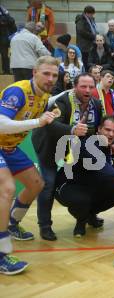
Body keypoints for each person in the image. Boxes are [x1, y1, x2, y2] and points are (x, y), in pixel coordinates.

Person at [0, 56, 59, 274]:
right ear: (34, 72)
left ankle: (12, 224)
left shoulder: (44, 96)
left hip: (9, 147)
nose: (51, 78)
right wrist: (38, 122)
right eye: (46, 73)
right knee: (6, 190)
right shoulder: (18, 92)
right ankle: (1, 253)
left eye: (54, 75)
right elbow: (1, 123)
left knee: (36, 183)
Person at [32, 73, 104, 240]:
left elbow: (97, 128)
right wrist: (71, 130)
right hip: (50, 146)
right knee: (48, 184)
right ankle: (45, 226)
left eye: (91, 87)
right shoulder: (63, 101)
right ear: (74, 86)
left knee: (92, 179)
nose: (87, 90)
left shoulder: (97, 104)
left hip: (75, 150)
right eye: (83, 86)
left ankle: (89, 215)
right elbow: (51, 124)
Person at [54, 116, 114, 237]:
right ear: (99, 129)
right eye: (107, 130)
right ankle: (81, 221)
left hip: (90, 186)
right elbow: (103, 167)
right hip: (68, 186)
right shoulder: (87, 144)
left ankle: (90, 214)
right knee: (81, 200)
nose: (111, 134)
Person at [0, 5, 16, 74]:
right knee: (5, 55)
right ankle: (6, 70)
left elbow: (12, 22)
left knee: (5, 55)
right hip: (4, 39)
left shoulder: (4, 13)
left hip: (4, 40)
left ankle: (6, 71)